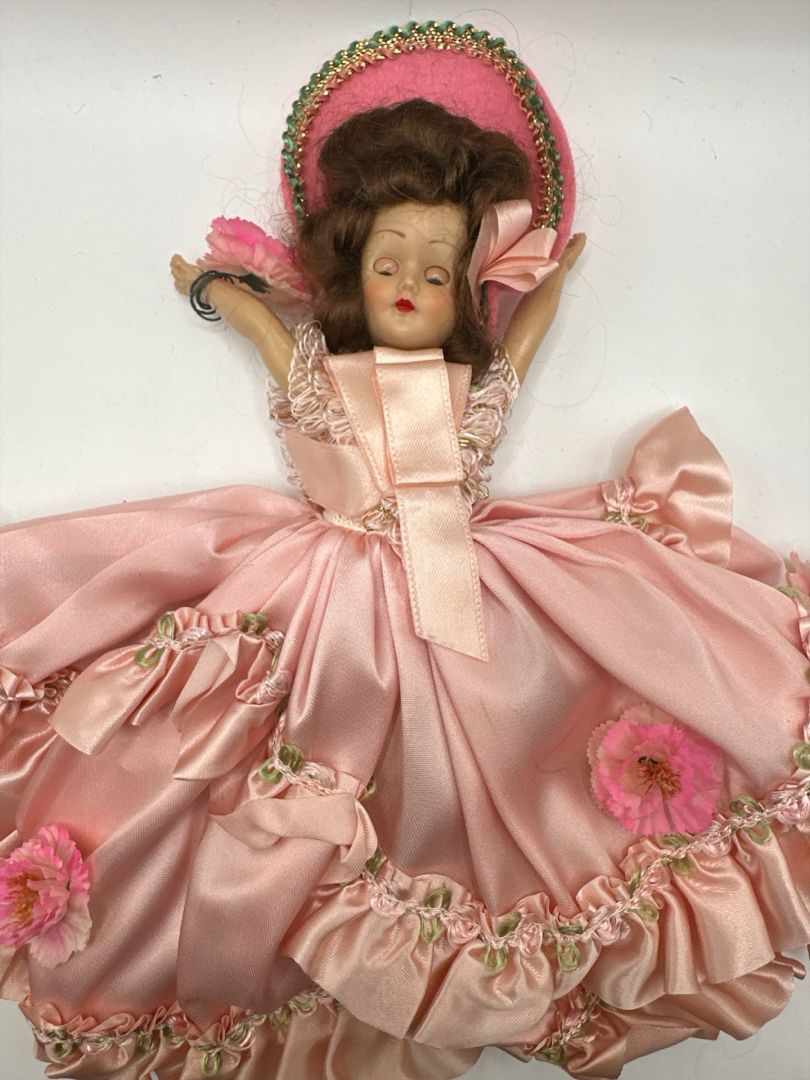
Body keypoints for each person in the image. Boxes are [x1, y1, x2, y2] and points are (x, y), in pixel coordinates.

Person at [1, 21, 808, 1080]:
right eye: (391, 263)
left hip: (476, 584)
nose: (413, 286)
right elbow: (264, 330)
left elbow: (516, 354)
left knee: (531, 734)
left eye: (438, 268)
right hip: (328, 592)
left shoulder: (472, 389)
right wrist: (216, 290)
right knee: (261, 756)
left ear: (467, 282)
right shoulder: (318, 374)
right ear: (353, 267)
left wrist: (548, 286)